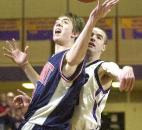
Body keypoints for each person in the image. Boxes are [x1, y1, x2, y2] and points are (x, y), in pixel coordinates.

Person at [3, 0, 120, 129]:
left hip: (43, 125)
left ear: (74, 34)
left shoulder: (70, 57)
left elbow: (73, 58)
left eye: (65, 22)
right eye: (57, 22)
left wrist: (92, 20)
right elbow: (45, 86)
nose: (58, 23)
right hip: (37, 122)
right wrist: (25, 65)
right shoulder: (55, 58)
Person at [70, 27, 135, 130]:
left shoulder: (102, 67)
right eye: (90, 35)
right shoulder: (69, 69)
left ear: (103, 47)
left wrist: (125, 70)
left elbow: (113, 69)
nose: (93, 38)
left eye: (98, 37)